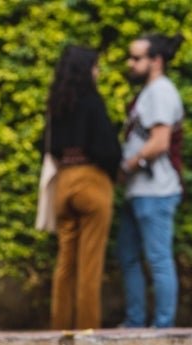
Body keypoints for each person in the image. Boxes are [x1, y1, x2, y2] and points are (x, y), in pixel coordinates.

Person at [45, 45, 122, 330]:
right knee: (90, 265)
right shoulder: (92, 101)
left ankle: (59, 330)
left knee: (65, 265)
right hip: (92, 181)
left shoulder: (57, 104)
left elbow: (48, 146)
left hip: (64, 181)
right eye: (95, 66)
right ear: (86, 69)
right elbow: (108, 149)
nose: (98, 72)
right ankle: (88, 332)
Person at [117, 33, 185, 328]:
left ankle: (163, 328)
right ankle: (134, 323)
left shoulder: (161, 92)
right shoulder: (149, 92)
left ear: (156, 61)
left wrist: (128, 166)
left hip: (156, 191)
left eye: (136, 58)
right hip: (139, 190)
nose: (129, 63)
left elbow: (159, 142)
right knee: (128, 256)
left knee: (158, 259)